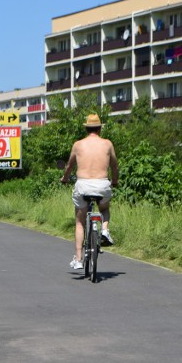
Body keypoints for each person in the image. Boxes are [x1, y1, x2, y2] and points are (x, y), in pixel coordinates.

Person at [60, 114, 119, 270]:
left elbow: (69, 167)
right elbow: (114, 166)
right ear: (100, 128)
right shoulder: (107, 144)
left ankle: (78, 259)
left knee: (79, 223)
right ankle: (105, 230)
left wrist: (65, 178)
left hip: (83, 185)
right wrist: (115, 181)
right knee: (104, 209)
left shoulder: (78, 145)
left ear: (86, 128)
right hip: (102, 185)